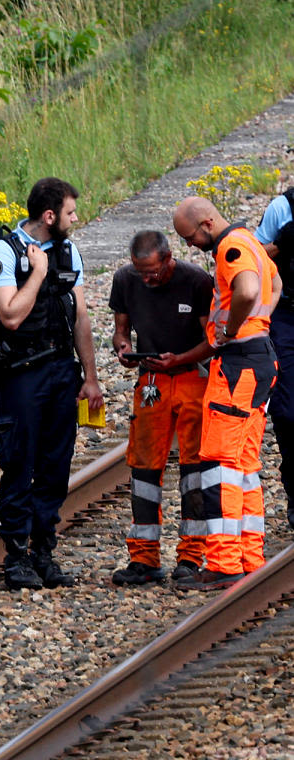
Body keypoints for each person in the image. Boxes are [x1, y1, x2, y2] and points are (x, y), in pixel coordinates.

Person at [0, 176, 103, 590]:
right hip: (22, 375)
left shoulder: (69, 251)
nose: (75, 218)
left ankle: (43, 551)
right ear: (49, 216)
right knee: (19, 462)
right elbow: (10, 315)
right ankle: (16, 557)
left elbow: (81, 317)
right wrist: (38, 274)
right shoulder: (5, 253)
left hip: (61, 370)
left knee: (55, 464)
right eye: (70, 212)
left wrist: (91, 378)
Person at [172, 196, 281, 589]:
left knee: (219, 464)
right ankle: (250, 555)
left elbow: (249, 289)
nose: (188, 245)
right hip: (259, 358)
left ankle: (222, 562)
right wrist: (259, 323)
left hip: (238, 363)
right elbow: (276, 281)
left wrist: (234, 329)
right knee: (244, 466)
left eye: (189, 236)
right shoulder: (250, 241)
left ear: (205, 222)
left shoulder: (231, 248)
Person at [107, 230, 214, 586]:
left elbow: (213, 341)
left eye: (153, 271)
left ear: (169, 259)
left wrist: (179, 359)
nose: (148, 279)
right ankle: (144, 558)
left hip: (191, 377)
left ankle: (191, 555)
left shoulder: (197, 281)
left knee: (194, 467)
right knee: (143, 468)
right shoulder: (126, 280)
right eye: (142, 272)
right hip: (151, 380)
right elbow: (120, 330)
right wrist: (123, 347)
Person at [253, 187, 294, 525]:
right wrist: (282, 244)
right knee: (288, 410)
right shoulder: (282, 208)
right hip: (287, 316)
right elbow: (253, 258)